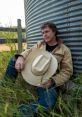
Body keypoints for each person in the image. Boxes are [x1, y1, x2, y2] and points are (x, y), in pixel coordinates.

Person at [4, 22, 73, 116]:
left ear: (54, 31)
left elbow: (67, 71)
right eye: (42, 33)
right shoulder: (40, 44)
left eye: (47, 32)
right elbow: (28, 51)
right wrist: (20, 57)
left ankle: (17, 113)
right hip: (32, 74)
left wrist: (52, 81)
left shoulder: (64, 50)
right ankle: (5, 88)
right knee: (14, 60)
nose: (44, 35)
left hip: (47, 81)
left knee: (47, 104)